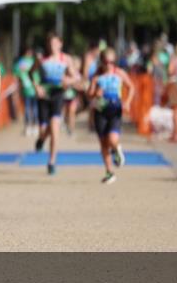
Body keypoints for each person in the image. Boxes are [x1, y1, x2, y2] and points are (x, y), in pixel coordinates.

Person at [32, 32, 79, 175]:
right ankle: (40, 139)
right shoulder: (42, 59)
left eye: (55, 43)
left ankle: (51, 162)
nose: (53, 46)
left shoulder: (66, 59)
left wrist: (68, 81)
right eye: (50, 44)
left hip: (58, 95)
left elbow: (75, 77)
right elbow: (31, 73)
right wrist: (37, 87)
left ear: (60, 44)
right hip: (44, 95)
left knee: (54, 129)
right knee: (43, 131)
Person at [87, 48, 135, 184]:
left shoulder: (119, 73)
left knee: (112, 139)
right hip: (100, 110)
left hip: (115, 110)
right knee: (103, 144)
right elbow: (89, 94)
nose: (109, 65)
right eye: (106, 62)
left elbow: (131, 87)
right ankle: (109, 172)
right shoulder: (96, 76)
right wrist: (95, 93)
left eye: (112, 62)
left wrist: (128, 102)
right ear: (101, 62)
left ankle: (116, 149)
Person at [14, 47, 39, 136]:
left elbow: (17, 74)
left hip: (26, 87)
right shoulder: (34, 61)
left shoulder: (20, 62)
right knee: (34, 107)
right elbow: (38, 73)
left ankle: (28, 127)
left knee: (28, 108)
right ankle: (35, 127)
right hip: (34, 87)